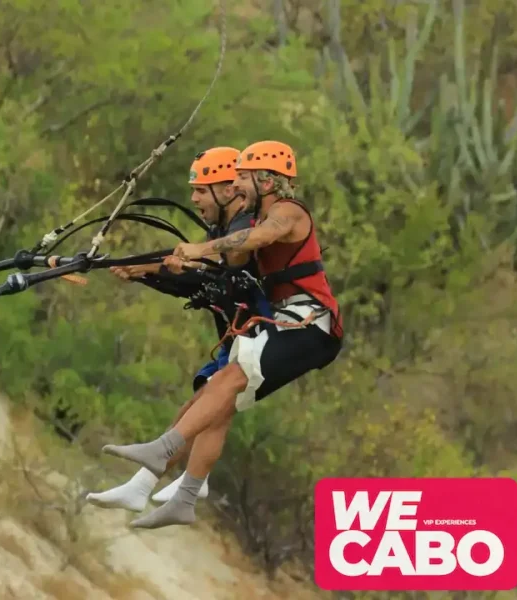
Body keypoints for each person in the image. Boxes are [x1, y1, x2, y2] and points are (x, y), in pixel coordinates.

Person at [101, 140, 344, 529]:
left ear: (267, 180)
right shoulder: (254, 217)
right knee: (219, 391)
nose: (235, 187)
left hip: (312, 323)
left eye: (243, 179)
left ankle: (162, 453)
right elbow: (229, 260)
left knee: (229, 379)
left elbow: (258, 240)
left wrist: (198, 249)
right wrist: (154, 267)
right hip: (291, 322)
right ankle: (184, 495)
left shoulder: (287, 212)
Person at [87, 146, 264, 512]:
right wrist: (143, 272)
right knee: (197, 407)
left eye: (201, 189)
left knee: (210, 405)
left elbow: (223, 272)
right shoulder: (222, 229)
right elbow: (198, 283)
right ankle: (147, 485)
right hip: (239, 336)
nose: (195, 197)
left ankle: (185, 483)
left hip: (263, 334)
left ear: (228, 189)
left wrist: (154, 268)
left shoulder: (244, 228)